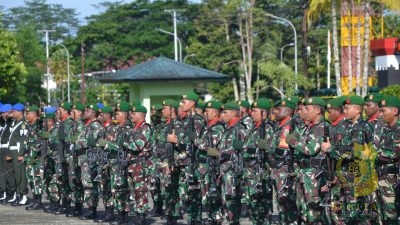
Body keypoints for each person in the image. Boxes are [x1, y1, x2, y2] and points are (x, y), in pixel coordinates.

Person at [286, 97, 330, 224]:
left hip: (314, 175)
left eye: (307, 108)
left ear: (317, 111)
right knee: (303, 210)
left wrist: (293, 140)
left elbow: (310, 150)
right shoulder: (308, 128)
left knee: (313, 212)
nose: (304, 111)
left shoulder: (321, 127)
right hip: (303, 173)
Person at [188, 100, 225, 225]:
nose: (205, 113)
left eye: (207, 111)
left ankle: (216, 219)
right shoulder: (207, 127)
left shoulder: (218, 128)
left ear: (215, 113)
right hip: (203, 167)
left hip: (211, 167)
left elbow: (210, 146)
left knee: (213, 197)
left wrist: (195, 140)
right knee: (206, 199)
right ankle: (211, 219)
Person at [213, 101, 247, 225]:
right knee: (225, 201)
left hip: (233, 171)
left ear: (234, 114)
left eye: (225, 112)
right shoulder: (227, 129)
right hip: (224, 171)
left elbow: (239, 149)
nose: (222, 115)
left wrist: (219, 153)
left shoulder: (239, 129)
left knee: (232, 202)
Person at [244, 98, 274, 225]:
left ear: (264, 113)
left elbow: (271, 149)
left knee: (262, 208)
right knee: (254, 208)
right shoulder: (253, 128)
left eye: (254, 111)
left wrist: (266, 146)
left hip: (261, 173)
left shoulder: (267, 128)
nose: (251, 113)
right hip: (251, 173)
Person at [125, 105, 152, 225]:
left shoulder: (145, 128)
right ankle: (137, 214)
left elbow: (137, 146)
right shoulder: (135, 129)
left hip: (141, 165)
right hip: (132, 165)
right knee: (134, 191)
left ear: (140, 114)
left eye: (133, 113)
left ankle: (142, 216)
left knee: (140, 191)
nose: (131, 115)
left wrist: (124, 143)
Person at [375, 96, 400, 224]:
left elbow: (392, 154)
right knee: (382, 216)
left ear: (395, 111)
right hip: (381, 179)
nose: (380, 114)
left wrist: (370, 154)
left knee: (392, 216)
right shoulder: (385, 129)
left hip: (393, 181)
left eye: (383, 111)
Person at [76, 104, 103, 220]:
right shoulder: (87, 125)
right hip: (84, 159)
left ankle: (93, 210)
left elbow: (91, 142)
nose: (84, 112)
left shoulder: (95, 125)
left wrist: (77, 142)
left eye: (87, 111)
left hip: (90, 159)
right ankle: (90, 208)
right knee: (87, 185)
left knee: (90, 185)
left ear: (93, 114)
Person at [7, 103, 29, 206]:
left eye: (14, 111)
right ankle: (19, 195)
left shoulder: (23, 124)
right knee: (16, 175)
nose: (12, 113)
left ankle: (23, 196)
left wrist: (21, 154)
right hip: (13, 152)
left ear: (20, 112)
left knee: (20, 175)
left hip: (18, 152)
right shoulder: (16, 122)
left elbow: (23, 140)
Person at [24, 105, 45, 210]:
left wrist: (40, 114)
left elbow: (42, 120)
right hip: (29, 156)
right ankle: (34, 198)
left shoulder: (39, 124)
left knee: (36, 179)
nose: (26, 115)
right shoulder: (28, 125)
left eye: (28, 113)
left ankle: (38, 201)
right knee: (30, 178)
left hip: (36, 156)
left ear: (34, 114)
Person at [0, 104, 12, 203]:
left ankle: (11, 193)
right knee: (3, 173)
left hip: (8, 149)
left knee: (9, 173)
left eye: (4, 113)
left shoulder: (11, 123)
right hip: (2, 149)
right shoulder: (4, 124)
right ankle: (3, 192)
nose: (3, 115)